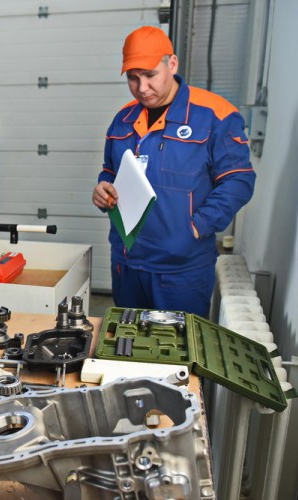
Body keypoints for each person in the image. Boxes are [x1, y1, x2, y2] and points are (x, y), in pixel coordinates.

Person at [92, 26, 255, 317]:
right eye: (133, 78)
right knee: (128, 342)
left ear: (173, 64)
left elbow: (239, 181)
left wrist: (196, 227)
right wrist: (103, 189)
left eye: (150, 75)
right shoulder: (123, 119)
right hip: (127, 265)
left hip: (182, 271)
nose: (142, 88)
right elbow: (109, 172)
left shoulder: (215, 115)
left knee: (178, 345)